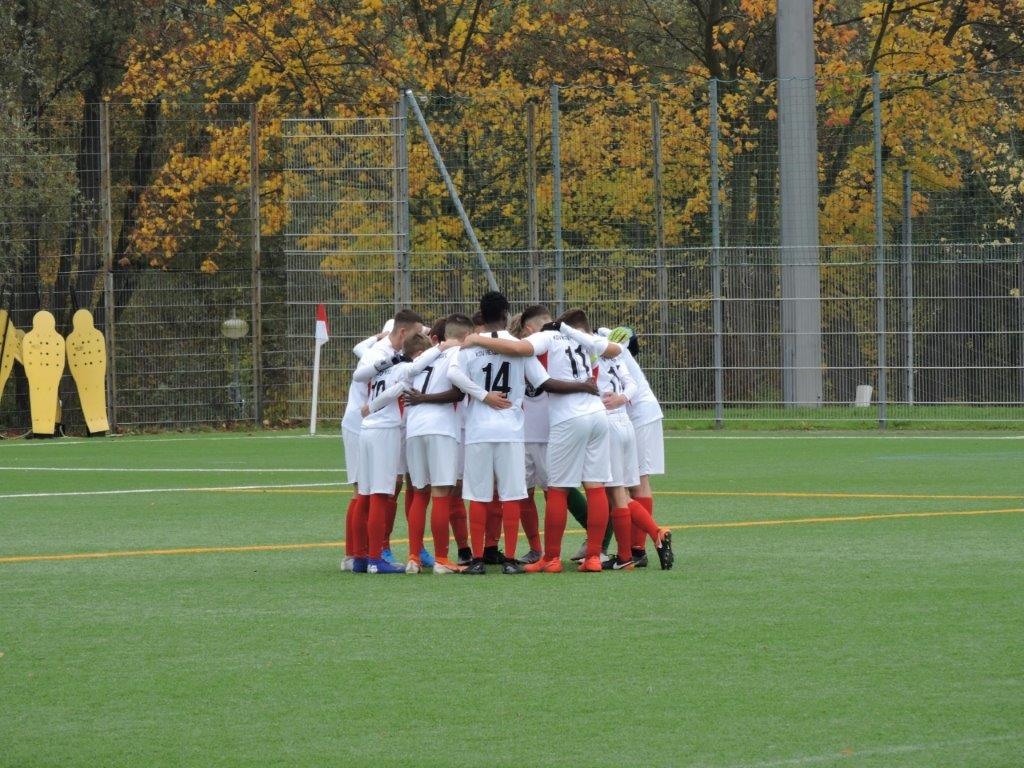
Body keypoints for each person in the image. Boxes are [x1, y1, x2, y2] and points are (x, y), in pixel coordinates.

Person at [462, 307, 621, 573]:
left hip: (566, 418)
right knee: (595, 486)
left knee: (556, 489)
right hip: (596, 414)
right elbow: (615, 350)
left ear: (531, 328)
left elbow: (519, 349)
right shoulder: (582, 338)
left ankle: (552, 558)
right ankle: (595, 556)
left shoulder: (545, 337)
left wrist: (477, 339)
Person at [447, 292, 551, 575]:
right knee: (511, 494)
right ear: (506, 313)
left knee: (479, 495)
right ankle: (510, 560)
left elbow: (453, 374)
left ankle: (478, 560)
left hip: (479, 429)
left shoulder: (470, 346)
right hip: (510, 429)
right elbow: (541, 381)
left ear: (481, 314)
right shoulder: (518, 346)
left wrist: (482, 395)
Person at [402, 314, 473, 573]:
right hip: (440, 428)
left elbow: (408, 374)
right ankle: (442, 559)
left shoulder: (425, 356)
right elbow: (457, 392)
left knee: (420, 492)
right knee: (442, 493)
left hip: (415, 428)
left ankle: (413, 556)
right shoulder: (459, 354)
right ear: (466, 336)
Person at [602, 326, 674, 570]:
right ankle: (636, 548)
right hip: (637, 417)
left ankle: (638, 549)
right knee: (634, 484)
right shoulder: (616, 350)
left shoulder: (612, 350)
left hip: (640, 417)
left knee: (635, 484)